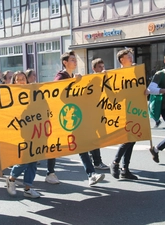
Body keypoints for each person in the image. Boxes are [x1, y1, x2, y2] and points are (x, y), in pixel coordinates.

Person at [48, 50, 105, 186]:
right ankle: (50, 172)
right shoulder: (61, 76)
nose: (75, 61)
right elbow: (57, 90)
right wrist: (73, 82)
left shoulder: (73, 75)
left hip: (72, 115)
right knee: (54, 144)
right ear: (65, 62)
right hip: (60, 116)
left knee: (80, 143)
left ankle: (91, 174)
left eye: (75, 59)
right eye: (72, 59)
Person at [5, 71, 41, 198]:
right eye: (17, 79)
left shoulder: (33, 91)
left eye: (23, 78)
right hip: (20, 129)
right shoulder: (10, 94)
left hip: (35, 128)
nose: (20, 81)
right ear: (14, 81)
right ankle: (12, 178)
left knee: (34, 158)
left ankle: (28, 187)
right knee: (24, 159)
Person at [108, 49, 139, 180]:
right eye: (128, 56)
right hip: (123, 109)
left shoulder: (135, 72)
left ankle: (125, 169)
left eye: (131, 56)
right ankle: (115, 163)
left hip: (135, 109)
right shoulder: (117, 74)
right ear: (122, 60)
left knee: (133, 139)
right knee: (128, 139)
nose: (131, 58)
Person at [88, 58, 109, 170]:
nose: (102, 69)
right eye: (99, 67)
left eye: (103, 66)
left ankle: (92, 155)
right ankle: (97, 161)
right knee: (95, 136)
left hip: (100, 109)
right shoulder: (90, 80)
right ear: (94, 68)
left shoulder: (103, 78)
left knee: (100, 136)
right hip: (91, 111)